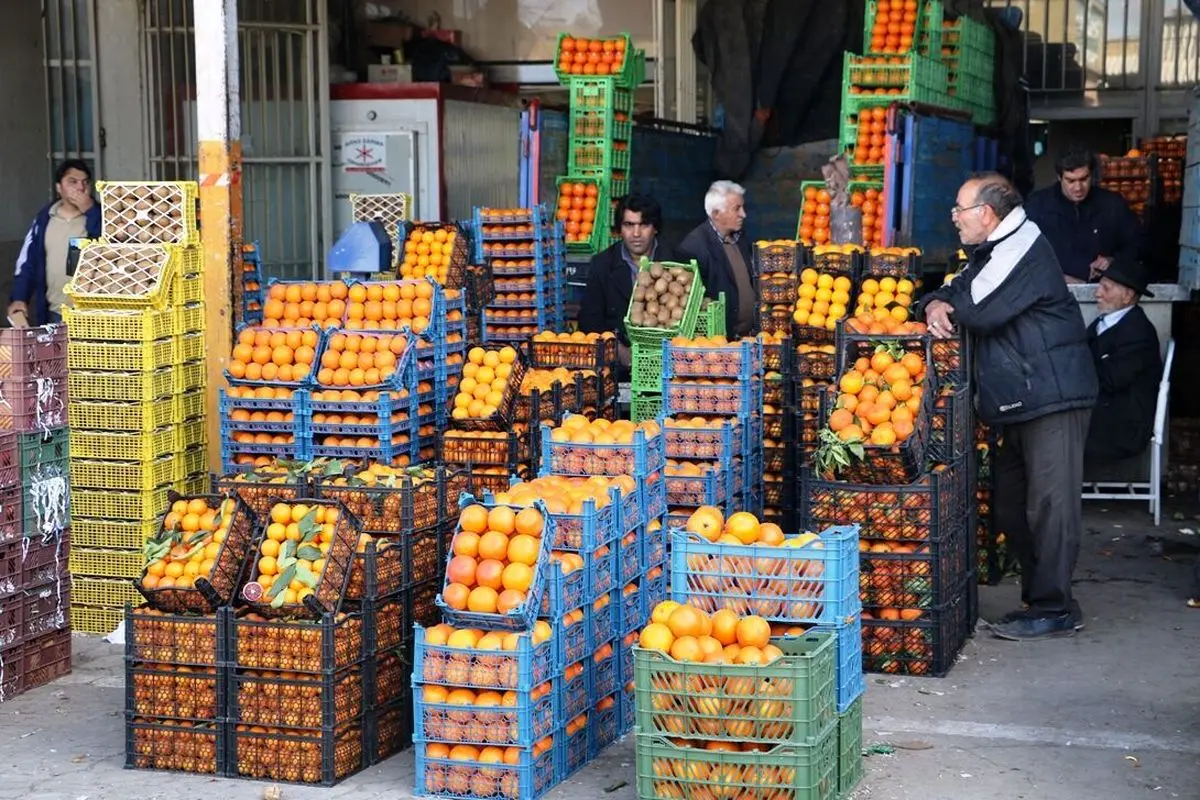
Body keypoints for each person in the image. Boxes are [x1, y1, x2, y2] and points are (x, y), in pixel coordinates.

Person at [919, 173, 1098, 641]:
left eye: (960, 209)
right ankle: (1042, 597)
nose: (954, 218)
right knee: (1012, 509)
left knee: (1050, 506)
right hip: (1023, 398)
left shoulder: (1022, 244)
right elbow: (954, 289)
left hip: (1052, 396)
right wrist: (937, 302)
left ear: (986, 214)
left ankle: (1055, 606)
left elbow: (978, 307)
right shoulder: (993, 250)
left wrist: (946, 304)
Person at [577, 194, 686, 367]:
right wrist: (617, 349)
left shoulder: (679, 263)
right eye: (629, 225)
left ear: (655, 228)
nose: (636, 233)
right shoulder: (603, 265)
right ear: (620, 229)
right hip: (617, 371)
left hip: (668, 365)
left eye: (643, 225)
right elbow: (590, 321)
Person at [1083, 257, 1163, 462]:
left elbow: (1111, 379)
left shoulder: (1138, 332)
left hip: (1122, 427)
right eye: (1100, 286)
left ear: (1128, 296)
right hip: (1104, 412)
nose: (1097, 293)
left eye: (1106, 289)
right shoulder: (1106, 322)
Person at [1023, 148, 1141, 284]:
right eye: (1071, 181)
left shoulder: (1112, 204)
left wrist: (1113, 261)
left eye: (1084, 179)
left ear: (1092, 175)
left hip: (1103, 291)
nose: (1078, 188)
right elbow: (1023, 253)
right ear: (1059, 177)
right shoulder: (1037, 206)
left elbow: (1137, 245)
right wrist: (1057, 278)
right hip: (1052, 291)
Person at [10, 159, 101, 326]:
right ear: (59, 188)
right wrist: (19, 297)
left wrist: (91, 211)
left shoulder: (99, 216)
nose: (80, 188)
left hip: (90, 313)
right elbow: (28, 262)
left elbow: (110, 246)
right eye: (72, 182)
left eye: (85, 182)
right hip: (54, 311)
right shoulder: (44, 220)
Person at [679, 180, 755, 337]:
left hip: (747, 337)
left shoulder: (740, 238)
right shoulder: (694, 246)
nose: (743, 214)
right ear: (716, 214)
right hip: (718, 342)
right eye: (737, 209)